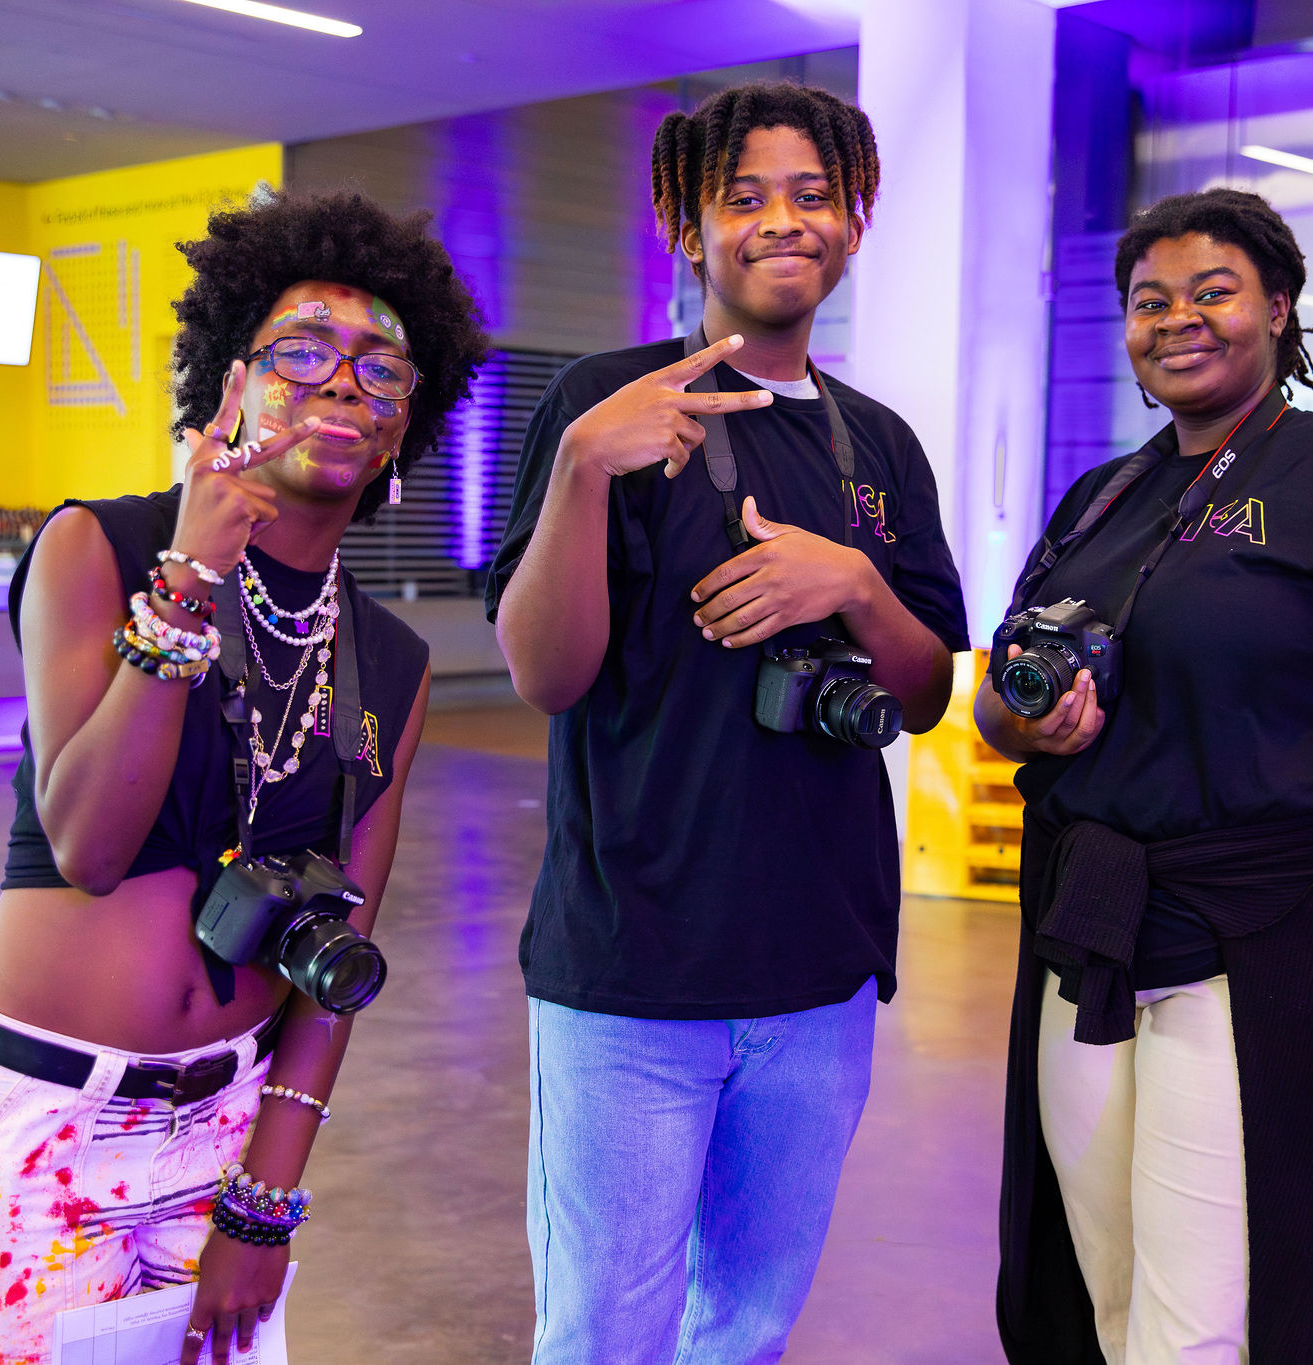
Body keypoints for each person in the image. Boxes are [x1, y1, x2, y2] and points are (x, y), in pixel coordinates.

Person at [0, 189, 488, 1365]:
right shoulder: (102, 547)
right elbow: (90, 842)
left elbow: (338, 951)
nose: (341, 382)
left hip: (225, 1133)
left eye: (380, 371)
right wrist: (193, 579)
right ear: (231, 384)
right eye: (301, 351)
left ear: (405, 428)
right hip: (40, 1129)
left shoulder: (388, 662)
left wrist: (263, 1202)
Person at [485, 81, 969, 1364]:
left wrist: (852, 584)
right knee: (603, 1329)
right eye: (743, 196)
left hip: (819, 974)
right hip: (632, 968)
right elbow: (544, 672)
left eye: (812, 195)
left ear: (852, 223)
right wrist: (588, 470)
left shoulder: (879, 447)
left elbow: (924, 694)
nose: (781, 223)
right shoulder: (605, 404)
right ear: (682, 224)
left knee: (747, 1321)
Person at [976, 188, 1313, 1363]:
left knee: (1205, 1319)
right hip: (1088, 932)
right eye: (1147, 301)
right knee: (1093, 1285)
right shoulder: (1099, 495)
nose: (1176, 319)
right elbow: (1003, 701)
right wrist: (1028, 725)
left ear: (1278, 307)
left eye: (1212, 291)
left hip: (1256, 942)